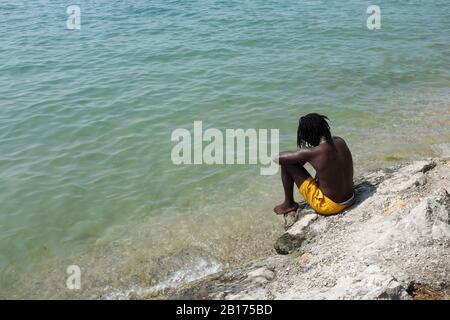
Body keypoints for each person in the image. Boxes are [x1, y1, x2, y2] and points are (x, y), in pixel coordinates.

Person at [273, 113, 355, 215]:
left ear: (308, 134)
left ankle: (289, 204)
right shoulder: (340, 141)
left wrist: (303, 150)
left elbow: (277, 158)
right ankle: (289, 203)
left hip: (330, 206)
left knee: (287, 164)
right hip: (351, 197)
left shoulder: (313, 152)